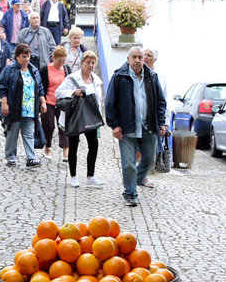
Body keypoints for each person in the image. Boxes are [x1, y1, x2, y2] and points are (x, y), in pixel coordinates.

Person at [105, 46, 167, 207]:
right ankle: (130, 193)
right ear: (128, 59)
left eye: (140, 57)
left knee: (149, 159)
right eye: (134, 57)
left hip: (148, 126)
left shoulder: (152, 76)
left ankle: (136, 180)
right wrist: (115, 125)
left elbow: (160, 101)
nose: (138, 60)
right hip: (127, 128)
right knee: (128, 164)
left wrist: (161, 122)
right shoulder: (119, 77)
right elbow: (110, 103)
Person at [56, 50, 103, 188]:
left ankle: (90, 176)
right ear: (82, 63)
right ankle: (73, 176)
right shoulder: (72, 78)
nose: (90, 65)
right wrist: (73, 92)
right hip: (76, 116)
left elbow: (98, 101)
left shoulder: (96, 80)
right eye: (88, 62)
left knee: (93, 144)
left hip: (90, 116)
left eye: (93, 63)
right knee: (74, 145)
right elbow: (58, 92)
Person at [0, 43, 46, 168]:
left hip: (29, 107)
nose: (26, 59)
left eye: (28, 56)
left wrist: (42, 101)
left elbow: (39, 87)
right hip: (15, 106)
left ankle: (31, 157)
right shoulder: (10, 69)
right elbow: (2, 87)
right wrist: (4, 103)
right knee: (12, 132)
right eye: (24, 57)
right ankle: (11, 157)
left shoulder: (33, 70)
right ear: (17, 57)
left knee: (29, 132)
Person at [140, 47, 171, 180]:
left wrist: (164, 122)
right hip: (139, 118)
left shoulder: (159, 77)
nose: (146, 57)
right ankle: (138, 176)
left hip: (153, 120)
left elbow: (163, 100)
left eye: (149, 55)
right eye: (144, 55)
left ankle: (143, 176)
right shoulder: (136, 74)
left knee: (150, 151)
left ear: (155, 59)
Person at [39, 46, 70, 162]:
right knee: (48, 125)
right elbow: (40, 86)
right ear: (54, 58)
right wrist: (42, 101)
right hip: (48, 101)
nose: (61, 63)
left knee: (64, 126)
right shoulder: (45, 69)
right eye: (59, 60)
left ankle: (66, 151)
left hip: (63, 102)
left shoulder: (66, 69)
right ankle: (47, 147)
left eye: (63, 60)